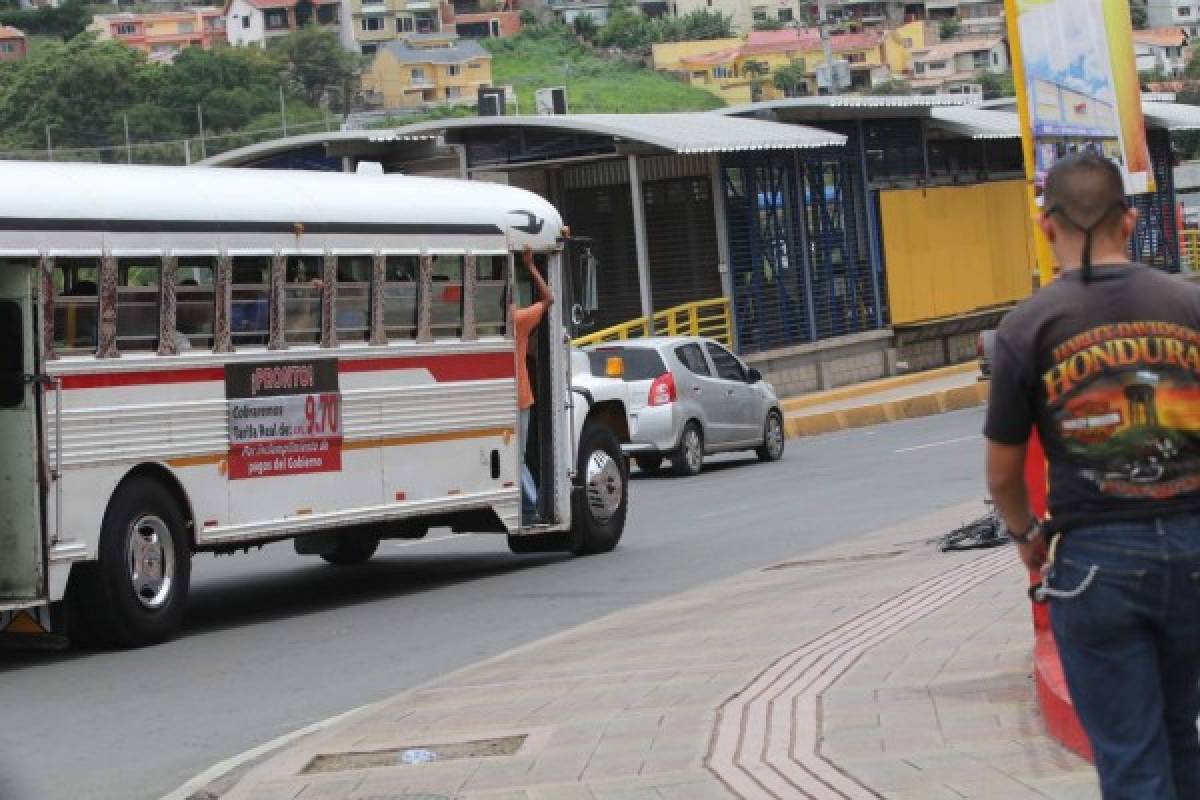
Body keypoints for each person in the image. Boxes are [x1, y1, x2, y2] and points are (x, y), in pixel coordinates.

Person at [985, 152, 1200, 800]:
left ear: (1047, 226)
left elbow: (1001, 475)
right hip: (1193, 545)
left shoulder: (1026, 328)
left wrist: (1028, 539)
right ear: (1131, 222)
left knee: (1131, 759)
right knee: (1182, 738)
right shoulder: (1189, 305)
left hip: (1097, 560)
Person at [514, 245, 554, 524]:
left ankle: (529, 505)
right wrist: (530, 266)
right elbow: (549, 298)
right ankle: (532, 504)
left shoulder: (508, 322)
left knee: (514, 457)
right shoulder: (519, 320)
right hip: (521, 397)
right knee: (518, 456)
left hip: (505, 398)